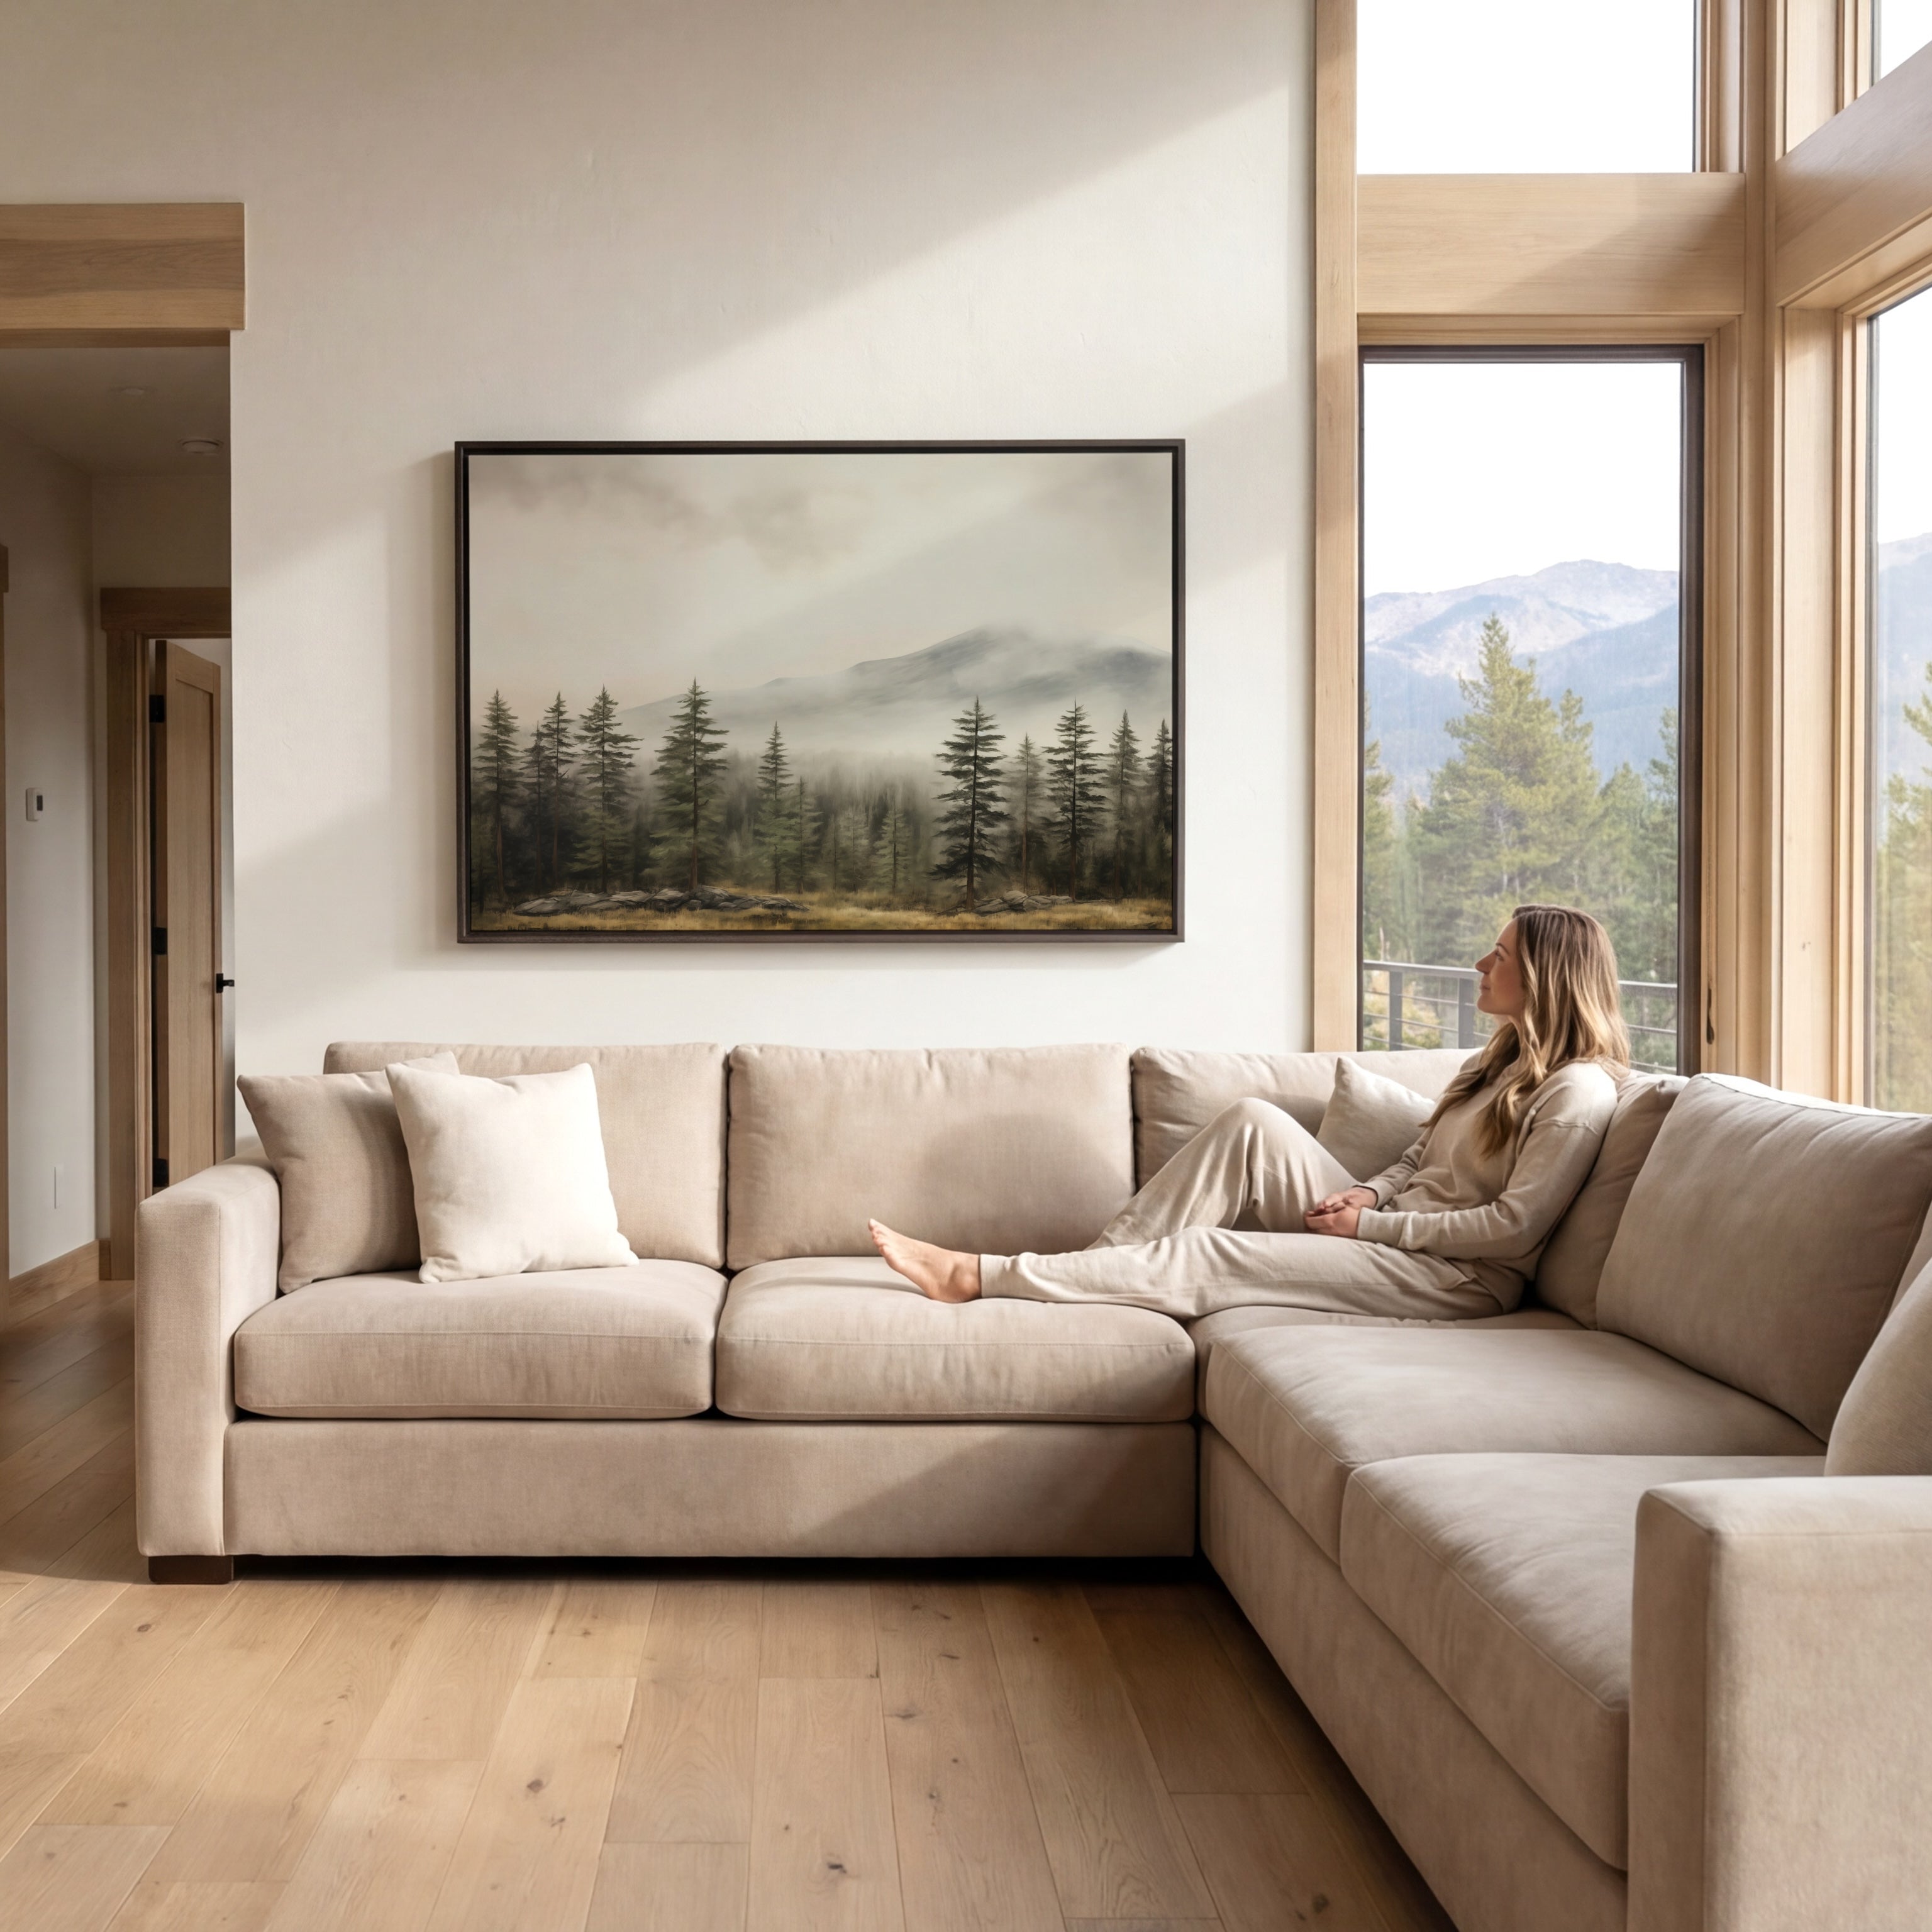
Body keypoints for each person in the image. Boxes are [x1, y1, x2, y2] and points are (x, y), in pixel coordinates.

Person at [870, 904, 1626, 1321]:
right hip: (1397, 1235)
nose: (1480, 965)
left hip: (1456, 1279)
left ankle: (982, 1277)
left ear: (1545, 977)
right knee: (1252, 1123)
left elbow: (1513, 1229)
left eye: (1499, 956)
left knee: (1211, 1252)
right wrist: (1370, 1192)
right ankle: (1090, 1274)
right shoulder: (1492, 1063)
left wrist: (1373, 1227)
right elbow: (1418, 1160)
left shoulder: (1576, 1093)